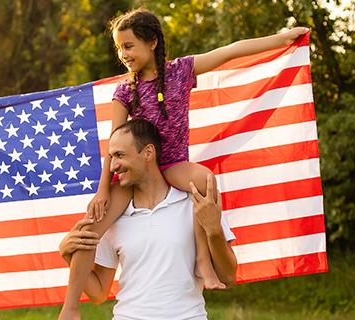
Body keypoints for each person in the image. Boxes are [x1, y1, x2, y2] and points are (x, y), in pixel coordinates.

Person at [60, 7, 309, 319]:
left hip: (173, 164)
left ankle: (203, 261)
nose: (123, 54)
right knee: (89, 226)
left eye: (128, 46)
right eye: (119, 48)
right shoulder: (125, 91)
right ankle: (69, 307)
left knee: (204, 180)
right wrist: (103, 191)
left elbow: (229, 52)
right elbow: (114, 146)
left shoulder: (181, 71)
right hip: (137, 168)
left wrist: (280, 38)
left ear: (151, 42)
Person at [60, 119, 238, 319]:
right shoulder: (112, 216)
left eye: (120, 155)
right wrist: (67, 254)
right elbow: (99, 293)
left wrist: (214, 230)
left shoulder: (195, 199)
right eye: (111, 157)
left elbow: (228, 277)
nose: (113, 166)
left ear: (148, 153)